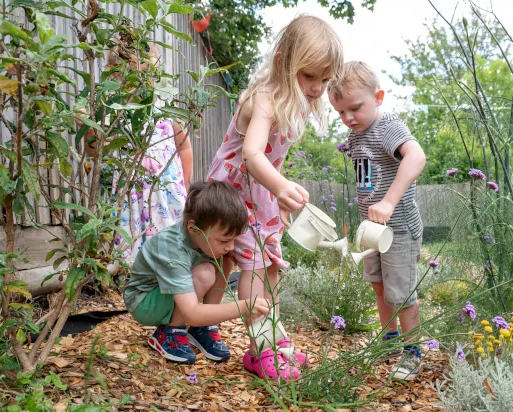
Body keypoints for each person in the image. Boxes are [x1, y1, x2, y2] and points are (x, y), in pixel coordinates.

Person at [204, 15, 344, 380]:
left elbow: (270, 160)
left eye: (324, 79)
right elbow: (252, 155)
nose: (316, 88)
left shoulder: (291, 102)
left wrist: (278, 194)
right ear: (283, 61)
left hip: (259, 195)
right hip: (233, 196)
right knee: (250, 267)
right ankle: (260, 347)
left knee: (269, 266)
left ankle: (270, 339)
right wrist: (280, 187)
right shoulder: (264, 98)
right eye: (309, 75)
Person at [328, 61, 426, 381]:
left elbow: (416, 157)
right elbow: (367, 180)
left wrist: (388, 201)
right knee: (380, 287)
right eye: (340, 112)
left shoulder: (388, 128)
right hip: (372, 231)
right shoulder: (357, 136)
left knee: (401, 294)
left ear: (379, 97)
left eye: (354, 108)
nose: (347, 118)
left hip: (398, 229)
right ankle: (388, 342)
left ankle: (413, 353)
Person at [123, 180, 270, 364]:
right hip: (143, 302)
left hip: (163, 294)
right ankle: (169, 331)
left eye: (234, 240)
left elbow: (223, 253)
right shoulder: (173, 247)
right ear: (193, 228)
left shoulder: (201, 236)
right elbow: (192, 312)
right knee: (206, 272)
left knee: (223, 260)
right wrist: (244, 306)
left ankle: (203, 328)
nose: (231, 246)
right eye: (224, 240)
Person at [78, 42, 193, 261]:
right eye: (130, 74)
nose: (140, 81)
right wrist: (87, 127)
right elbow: (94, 153)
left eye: (147, 72)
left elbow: (184, 145)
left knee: (173, 249)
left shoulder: (166, 112)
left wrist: (186, 185)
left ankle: (173, 285)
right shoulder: (112, 115)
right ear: (114, 76)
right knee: (130, 248)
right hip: (129, 200)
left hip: (167, 199)